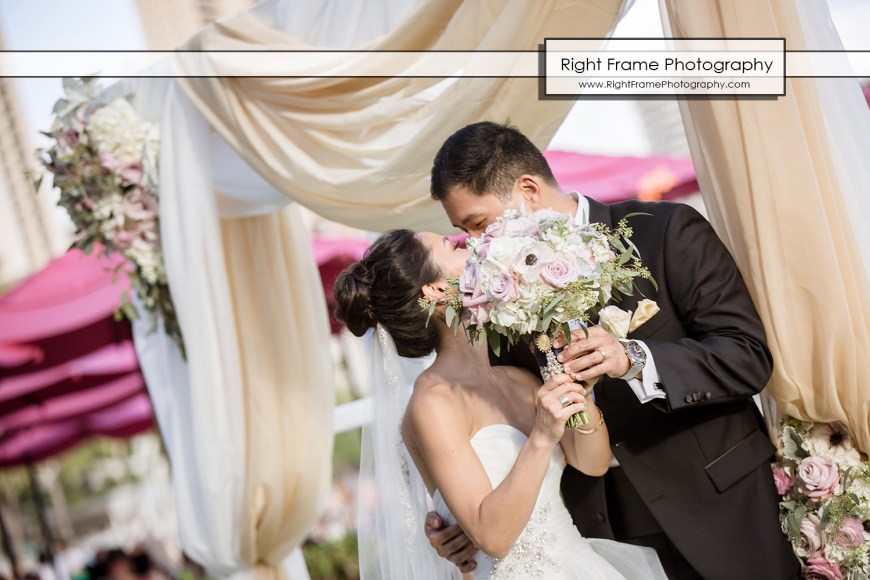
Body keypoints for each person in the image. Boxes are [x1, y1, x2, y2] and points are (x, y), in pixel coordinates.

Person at [424, 121, 800, 580]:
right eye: (465, 234)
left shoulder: (664, 232)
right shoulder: (494, 299)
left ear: (527, 191)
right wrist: (459, 517)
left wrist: (635, 360)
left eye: (479, 224)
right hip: (601, 535)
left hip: (722, 507)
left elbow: (746, 356)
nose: (478, 246)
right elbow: (506, 423)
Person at [334, 229, 667, 579]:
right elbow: (492, 537)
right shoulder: (433, 401)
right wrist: (541, 435)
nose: (473, 248)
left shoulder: (516, 378)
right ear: (436, 290)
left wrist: (580, 393)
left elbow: (592, 463)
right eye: (453, 247)